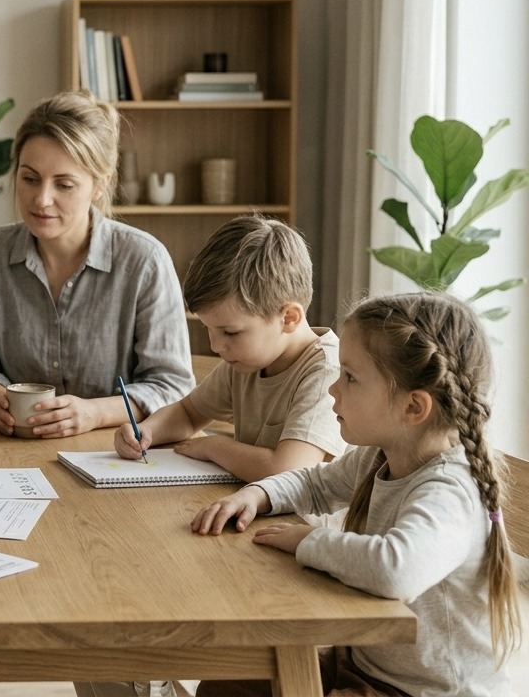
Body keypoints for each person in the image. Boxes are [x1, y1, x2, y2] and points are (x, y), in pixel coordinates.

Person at [191, 292, 521, 696]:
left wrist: (309, 541)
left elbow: (395, 570)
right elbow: (314, 482)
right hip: (366, 666)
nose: (334, 389)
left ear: (414, 407)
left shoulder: (450, 489)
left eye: (350, 377)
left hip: (422, 690)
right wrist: (257, 496)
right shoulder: (380, 456)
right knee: (229, 680)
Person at [0, 89, 194, 438]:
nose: (42, 199)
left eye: (64, 184)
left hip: (112, 454)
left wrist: (95, 413)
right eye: (29, 178)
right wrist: (0, 400)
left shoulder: (144, 261)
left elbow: (173, 385)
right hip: (12, 449)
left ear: (100, 184)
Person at [114, 214, 346, 482]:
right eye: (208, 329)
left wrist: (213, 446)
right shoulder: (247, 361)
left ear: (289, 318)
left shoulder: (327, 373)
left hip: (301, 522)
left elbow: (284, 471)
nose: (216, 345)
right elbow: (188, 414)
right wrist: (145, 431)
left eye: (230, 332)